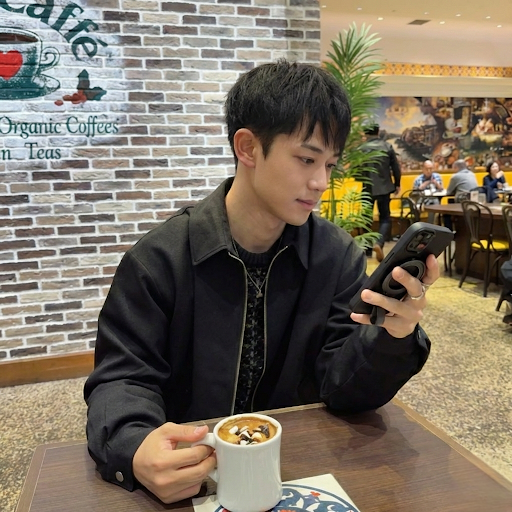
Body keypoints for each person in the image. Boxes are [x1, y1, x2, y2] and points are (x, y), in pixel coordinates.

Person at [84, 60, 437, 505]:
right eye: (306, 159)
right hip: (190, 477)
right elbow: (122, 379)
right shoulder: (159, 259)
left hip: (295, 471)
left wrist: (392, 337)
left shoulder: (335, 256)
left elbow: (343, 390)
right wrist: (135, 447)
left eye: (329, 164)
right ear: (248, 147)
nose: (320, 182)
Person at [360, 124, 401, 262]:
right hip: (384, 188)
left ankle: (367, 250)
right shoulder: (387, 146)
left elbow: (358, 169)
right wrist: (397, 184)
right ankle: (379, 243)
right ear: (378, 132)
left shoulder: (362, 148)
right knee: (385, 218)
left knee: (366, 219)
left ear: (366, 133)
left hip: (367, 187)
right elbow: (395, 167)